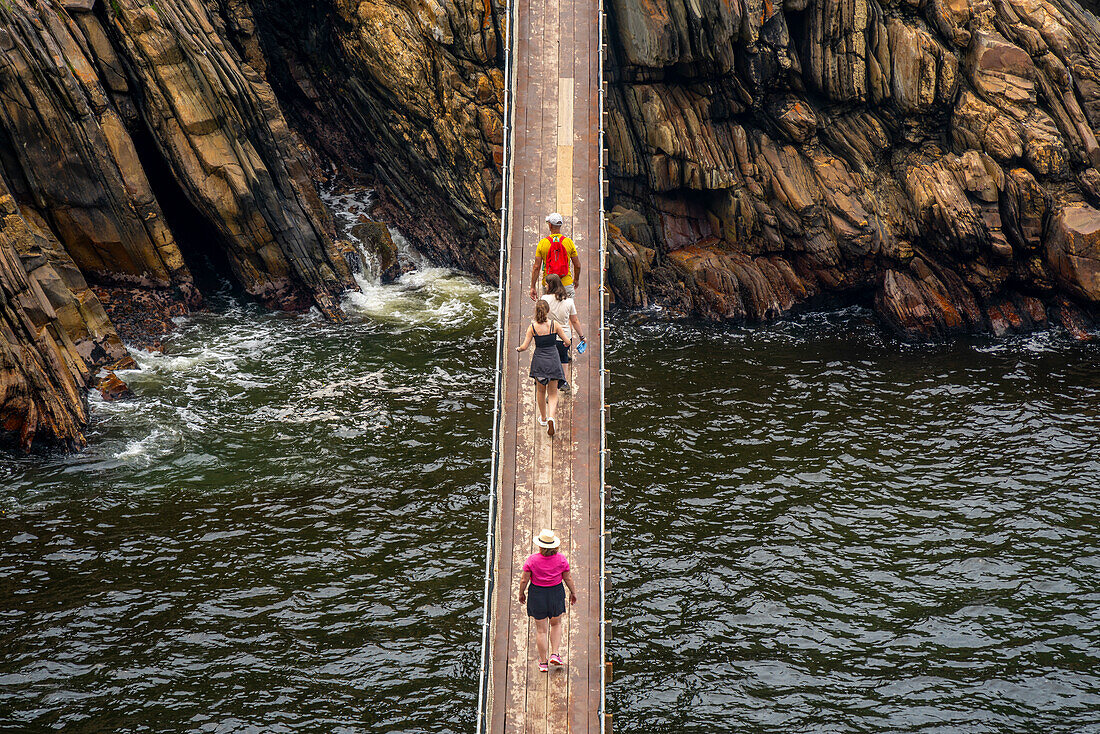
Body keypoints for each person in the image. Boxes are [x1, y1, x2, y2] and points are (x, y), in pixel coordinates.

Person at [518, 529, 578, 672]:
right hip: (555, 592)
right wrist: (573, 592)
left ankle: (543, 663)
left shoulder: (532, 560)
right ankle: (555, 654)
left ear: (540, 545)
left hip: (537, 594)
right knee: (556, 624)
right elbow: (567, 578)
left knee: (541, 630)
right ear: (554, 546)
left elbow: (524, 579)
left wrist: (521, 593)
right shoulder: (561, 559)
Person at [516, 300, 570, 436]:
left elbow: (524, 347)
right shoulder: (554, 325)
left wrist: (518, 349)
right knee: (552, 393)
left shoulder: (532, 328)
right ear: (547, 311)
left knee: (540, 391)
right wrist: (565, 343)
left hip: (539, 362)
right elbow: (567, 341)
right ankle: (552, 417)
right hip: (553, 360)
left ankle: (544, 418)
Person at [541, 274, 584, 391]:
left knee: (550, 358)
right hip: (564, 336)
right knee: (563, 357)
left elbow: (541, 317)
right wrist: (581, 336)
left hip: (549, 335)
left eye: (546, 283)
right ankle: (563, 381)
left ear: (550, 285)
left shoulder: (544, 299)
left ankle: (550, 384)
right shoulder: (569, 301)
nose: (545, 285)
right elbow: (574, 320)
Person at [529, 212, 581, 302]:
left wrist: (533, 287)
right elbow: (577, 265)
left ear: (550, 225)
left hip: (549, 284)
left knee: (549, 313)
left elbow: (536, 267)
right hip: (566, 284)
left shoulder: (542, 243)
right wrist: (576, 279)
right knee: (568, 312)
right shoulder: (568, 242)